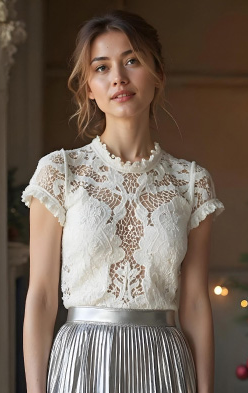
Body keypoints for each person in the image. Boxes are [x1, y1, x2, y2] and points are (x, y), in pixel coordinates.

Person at [21, 10, 224, 393]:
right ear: (88, 89)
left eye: (132, 61)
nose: (118, 77)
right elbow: (43, 296)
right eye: (101, 67)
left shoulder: (191, 182)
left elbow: (196, 302)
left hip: (163, 364)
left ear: (157, 73)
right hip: (81, 361)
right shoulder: (60, 172)